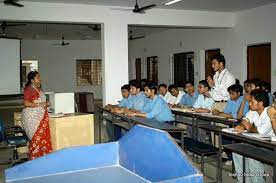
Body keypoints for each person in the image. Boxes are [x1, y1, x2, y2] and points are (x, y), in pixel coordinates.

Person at [233, 90, 275, 183]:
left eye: (252, 101)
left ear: (260, 103)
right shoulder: (253, 111)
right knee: (237, 152)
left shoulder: (270, 112)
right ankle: (243, 181)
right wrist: (242, 126)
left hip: (269, 146)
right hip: (256, 143)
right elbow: (245, 119)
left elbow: (261, 131)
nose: (249, 104)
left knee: (252, 157)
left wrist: (249, 127)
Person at [21, 71, 52, 160]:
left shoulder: (39, 89)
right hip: (32, 118)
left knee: (41, 138)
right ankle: (35, 158)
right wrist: (41, 104)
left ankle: (41, 158)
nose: (40, 79)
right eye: (38, 77)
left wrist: (46, 104)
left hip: (40, 116)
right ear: (32, 80)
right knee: (36, 138)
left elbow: (41, 102)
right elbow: (26, 103)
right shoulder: (29, 89)